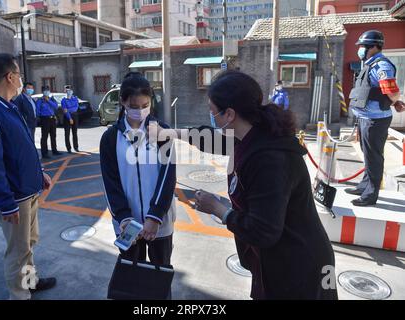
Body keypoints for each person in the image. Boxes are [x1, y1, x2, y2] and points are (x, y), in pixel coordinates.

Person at [151, 70, 338, 300]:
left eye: (212, 111)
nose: (211, 117)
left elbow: (263, 231)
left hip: (298, 266)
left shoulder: (269, 159)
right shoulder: (248, 136)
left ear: (229, 114)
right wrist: (170, 133)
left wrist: (217, 208)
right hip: (273, 261)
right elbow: (208, 138)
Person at [0, 53, 56, 300]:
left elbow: (21, 148)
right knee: (17, 252)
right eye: (18, 74)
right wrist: (5, 203)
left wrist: (38, 173)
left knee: (28, 244)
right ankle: (19, 296)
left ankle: (30, 282)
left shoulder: (9, 106)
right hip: (15, 199)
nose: (21, 79)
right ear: (10, 76)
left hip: (28, 191)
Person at [100, 73, 176, 287]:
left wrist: (155, 216)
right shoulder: (110, 138)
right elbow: (110, 183)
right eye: (135, 105)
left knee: (160, 277)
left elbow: (167, 177)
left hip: (159, 223)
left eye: (146, 104)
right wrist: (123, 217)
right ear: (123, 101)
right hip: (127, 226)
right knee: (132, 280)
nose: (141, 110)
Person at [346, 30, 405, 206]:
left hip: (375, 120)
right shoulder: (370, 64)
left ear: (374, 47)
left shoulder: (382, 66)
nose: (361, 49)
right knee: (367, 155)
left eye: (363, 46)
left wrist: (395, 101)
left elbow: (392, 91)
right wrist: (394, 102)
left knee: (374, 157)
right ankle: (364, 185)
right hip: (366, 117)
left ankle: (371, 194)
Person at [36, 85, 61, 159]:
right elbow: (37, 110)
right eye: (45, 90)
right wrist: (40, 118)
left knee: (53, 135)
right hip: (45, 119)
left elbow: (56, 106)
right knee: (44, 136)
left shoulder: (52, 99)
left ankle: (54, 150)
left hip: (52, 119)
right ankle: (44, 153)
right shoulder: (40, 100)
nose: (47, 91)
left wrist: (48, 101)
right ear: (43, 92)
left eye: (48, 90)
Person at [61, 85, 80, 153]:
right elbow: (65, 111)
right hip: (67, 117)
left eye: (70, 90)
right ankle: (68, 148)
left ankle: (76, 147)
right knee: (67, 133)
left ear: (72, 91)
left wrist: (68, 109)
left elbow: (76, 108)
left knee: (75, 133)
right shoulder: (63, 100)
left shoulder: (75, 98)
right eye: (67, 90)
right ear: (65, 91)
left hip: (75, 116)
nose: (68, 92)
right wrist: (69, 118)